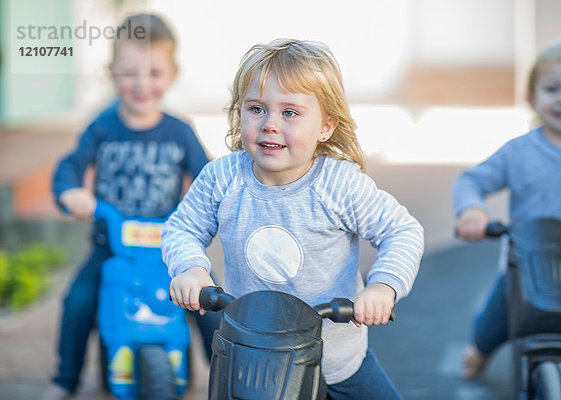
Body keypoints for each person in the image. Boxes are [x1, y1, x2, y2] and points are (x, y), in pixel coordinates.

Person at [161, 38, 424, 400]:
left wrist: (384, 286)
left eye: (289, 112)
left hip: (336, 359)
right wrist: (190, 268)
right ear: (240, 113)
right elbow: (182, 227)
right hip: (253, 357)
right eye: (256, 109)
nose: (270, 124)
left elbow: (402, 231)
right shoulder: (223, 179)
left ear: (325, 127)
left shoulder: (339, 185)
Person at [42, 13, 219, 400]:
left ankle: (226, 377)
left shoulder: (179, 130)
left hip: (172, 247)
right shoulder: (102, 127)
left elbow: (208, 177)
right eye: (129, 72)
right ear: (111, 72)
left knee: (209, 302)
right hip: (114, 246)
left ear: (172, 74)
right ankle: (65, 380)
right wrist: (71, 191)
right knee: (78, 302)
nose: (141, 83)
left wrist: (210, 207)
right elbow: (70, 165)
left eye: (154, 72)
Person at [454, 41, 561, 380]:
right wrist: (472, 210)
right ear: (533, 100)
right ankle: (479, 351)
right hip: (525, 266)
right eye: (552, 88)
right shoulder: (518, 152)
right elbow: (471, 180)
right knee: (494, 322)